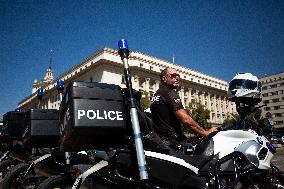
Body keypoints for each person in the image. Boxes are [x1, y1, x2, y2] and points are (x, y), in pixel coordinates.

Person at [150, 67, 217, 149]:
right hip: (172, 143)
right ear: (164, 78)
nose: (177, 78)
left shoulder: (157, 94)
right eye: (173, 76)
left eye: (178, 76)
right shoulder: (169, 93)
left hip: (160, 142)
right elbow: (186, 120)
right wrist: (205, 133)